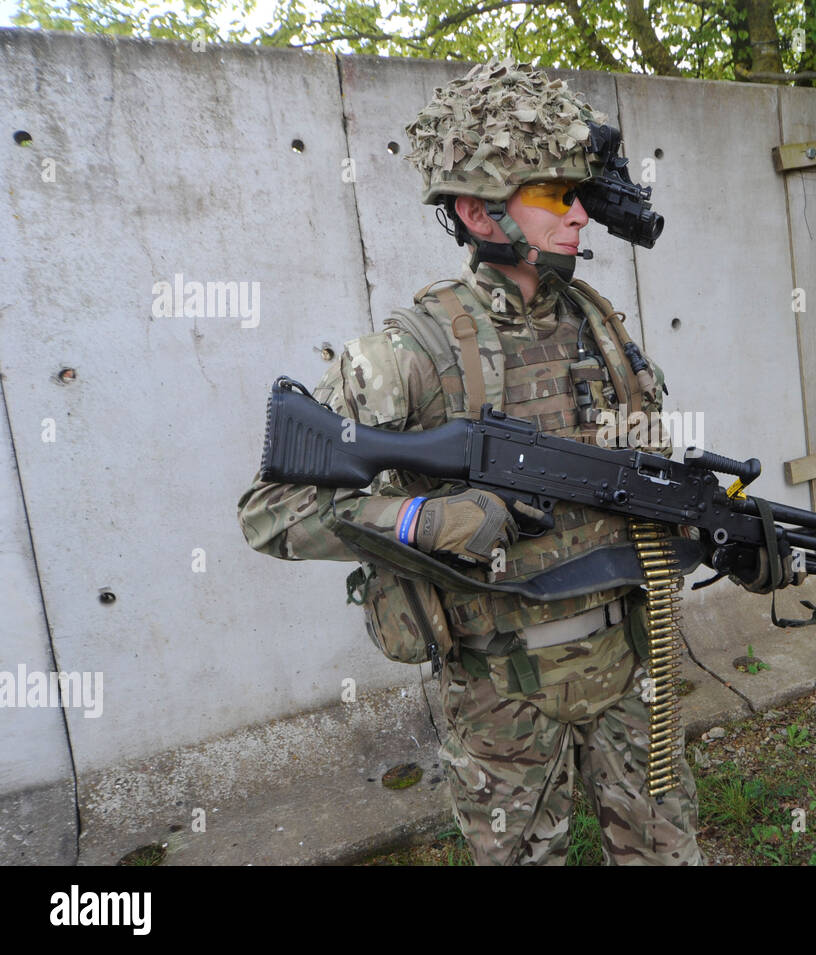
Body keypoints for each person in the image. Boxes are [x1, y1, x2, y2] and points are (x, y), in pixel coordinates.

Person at [236, 58, 706, 865]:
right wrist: (425, 515)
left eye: (577, 194)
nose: (579, 217)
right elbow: (272, 510)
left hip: (632, 666)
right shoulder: (409, 352)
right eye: (554, 196)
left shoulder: (604, 328)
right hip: (501, 696)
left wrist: (726, 536)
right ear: (478, 213)